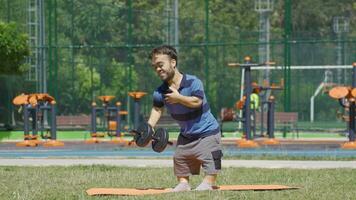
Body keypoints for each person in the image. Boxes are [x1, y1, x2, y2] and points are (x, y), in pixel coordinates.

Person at [147, 45, 223, 192]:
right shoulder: (160, 91)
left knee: (211, 157)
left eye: (160, 65)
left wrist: (179, 98)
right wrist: (149, 127)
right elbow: (157, 109)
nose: (157, 69)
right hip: (186, 134)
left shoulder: (193, 82)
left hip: (208, 132)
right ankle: (183, 183)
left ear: (173, 63)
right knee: (180, 158)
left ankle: (208, 183)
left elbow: (197, 102)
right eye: (155, 66)